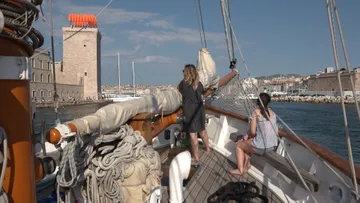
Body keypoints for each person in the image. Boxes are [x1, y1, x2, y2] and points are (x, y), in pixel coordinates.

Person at [230, 93, 278, 175]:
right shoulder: (273, 113)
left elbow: (252, 132)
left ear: (258, 102)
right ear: (268, 102)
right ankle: (247, 164)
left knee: (238, 145)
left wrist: (251, 136)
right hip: (273, 145)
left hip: (261, 147)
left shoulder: (256, 112)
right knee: (248, 142)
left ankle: (240, 170)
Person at [178, 64, 211, 164]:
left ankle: (196, 157)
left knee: (193, 135)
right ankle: (208, 148)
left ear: (186, 73)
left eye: (184, 71)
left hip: (189, 112)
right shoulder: (199, 84)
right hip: (199, 110)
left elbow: (178, 90)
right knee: (202, 131)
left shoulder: (183, 84)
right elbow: (200, 95)